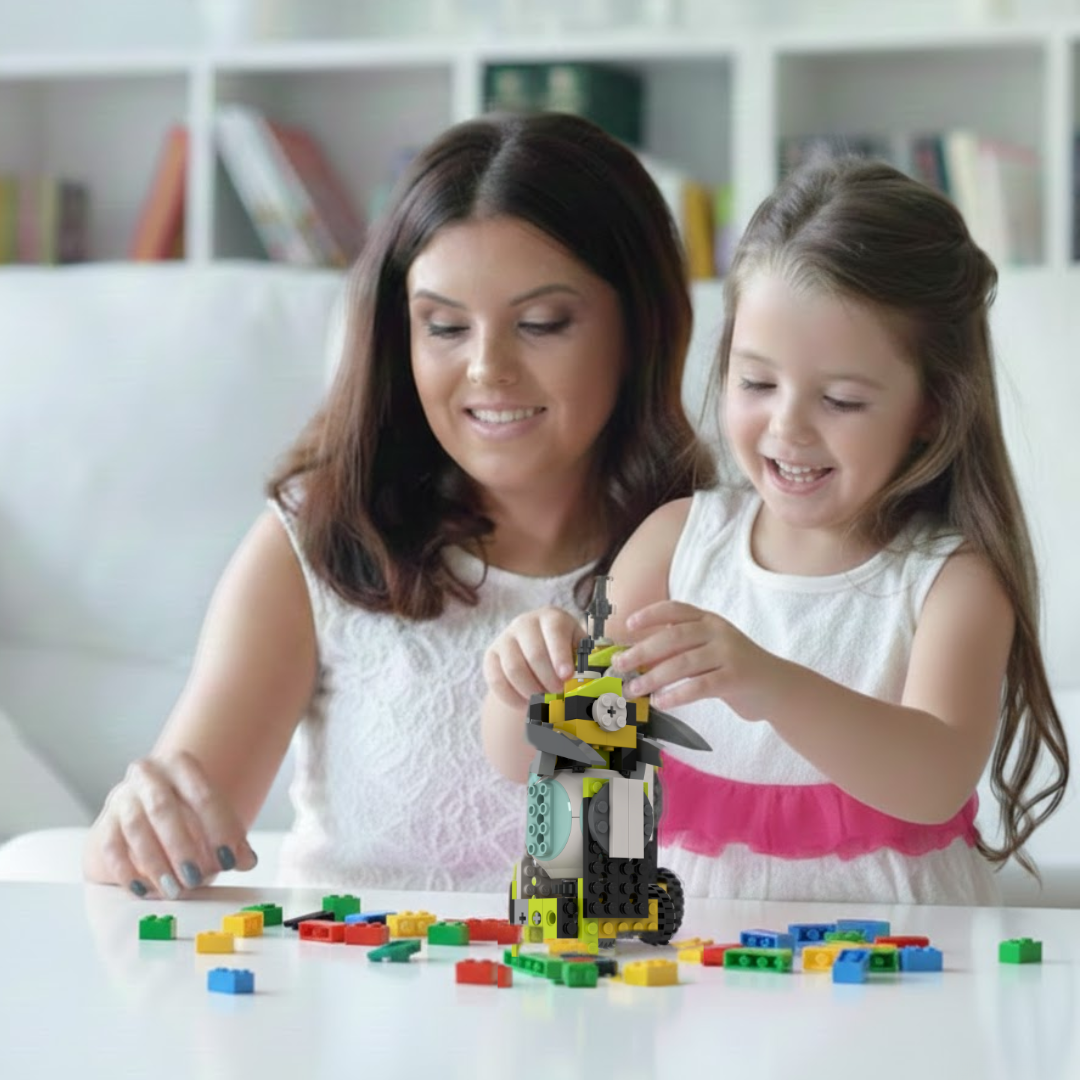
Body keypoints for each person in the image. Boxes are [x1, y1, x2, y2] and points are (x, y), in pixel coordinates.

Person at [81, 111, 715, 899]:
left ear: (640, 327)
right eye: (444, 326)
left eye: (541, 323)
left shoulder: (726, 549)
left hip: (626, 977)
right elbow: (164, 844)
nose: (487, 369)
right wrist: (136, 830)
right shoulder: (318, 538)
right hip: (350, 974)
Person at [483, 155, 1069, 905]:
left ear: (932, 407)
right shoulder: (677, 543)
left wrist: (767, 682)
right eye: (757, 382)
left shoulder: (951, 579)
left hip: (901, 947)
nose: (787, 427)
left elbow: (935, 781)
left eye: (842, 400)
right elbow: (530, 761)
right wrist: (524, 678)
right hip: (692, 949)